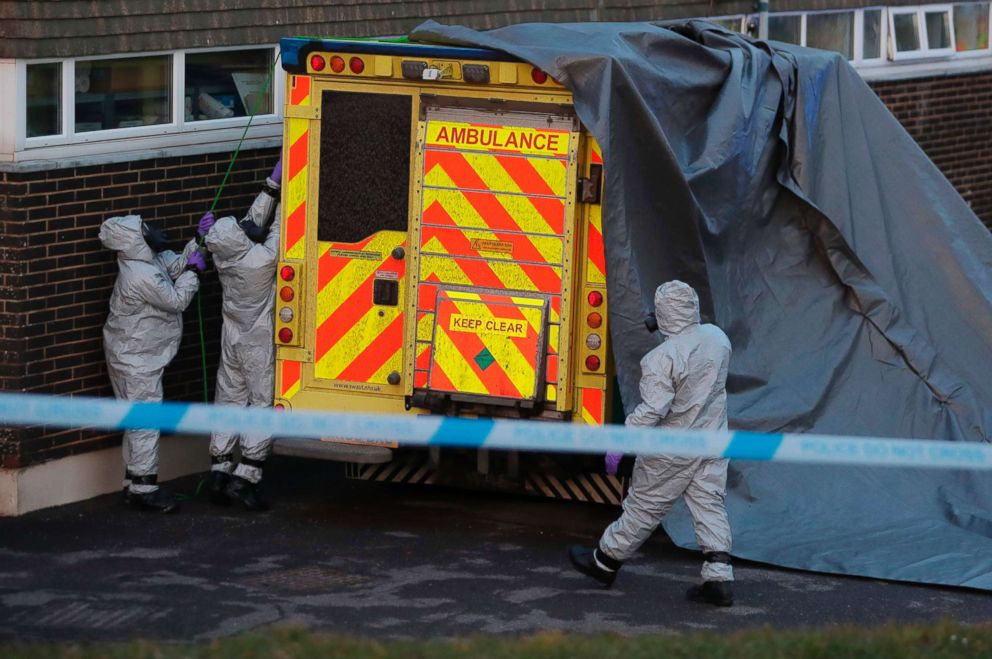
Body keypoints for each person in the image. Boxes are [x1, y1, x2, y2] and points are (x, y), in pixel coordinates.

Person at [569, 280, 735, 607]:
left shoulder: (661, 358)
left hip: (670, 450)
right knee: (709, 504)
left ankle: (605, 561)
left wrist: (621, 441)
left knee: (644, 506)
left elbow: (653, 410)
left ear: (662, 314)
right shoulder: (718, 339)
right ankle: (719, 577)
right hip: (712, 441)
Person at [101, 212, 213, 513]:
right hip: (136, 359)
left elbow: (174, 264)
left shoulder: (146, 263)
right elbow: (176, 299)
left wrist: (198, 241)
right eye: (145, 228)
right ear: (134, 240)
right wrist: (194, 274)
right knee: (146, 422)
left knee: (136, 422)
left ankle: (133, 481)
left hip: (134, 354)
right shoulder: (140, 276)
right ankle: (144, 490)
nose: (154, 230)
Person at [202, 160, 281, 511]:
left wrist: (269, 187)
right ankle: (247, 474)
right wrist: (289, 190)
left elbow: (249, 226)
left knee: (229, 396)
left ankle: (220, 467)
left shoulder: (225, 260)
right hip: (257, 342)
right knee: (260, 402)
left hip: (231, 338)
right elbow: (281, 227)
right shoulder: (260, 262)